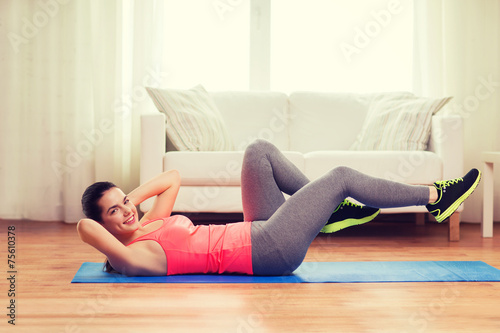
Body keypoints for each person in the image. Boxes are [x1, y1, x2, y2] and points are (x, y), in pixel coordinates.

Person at [77, 139, 481, 276]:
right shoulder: (135, 257)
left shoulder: (149, 223)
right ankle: (435, 198)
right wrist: (108, 221)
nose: (126, 210)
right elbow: (83, 227)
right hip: (267, 250)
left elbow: (173, 177)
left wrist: (128, 197)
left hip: (256, 230)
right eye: (113, 211)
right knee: (341, 176)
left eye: (125, 201)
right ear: (104, 225)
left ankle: (328, 214)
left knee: (258, 152)